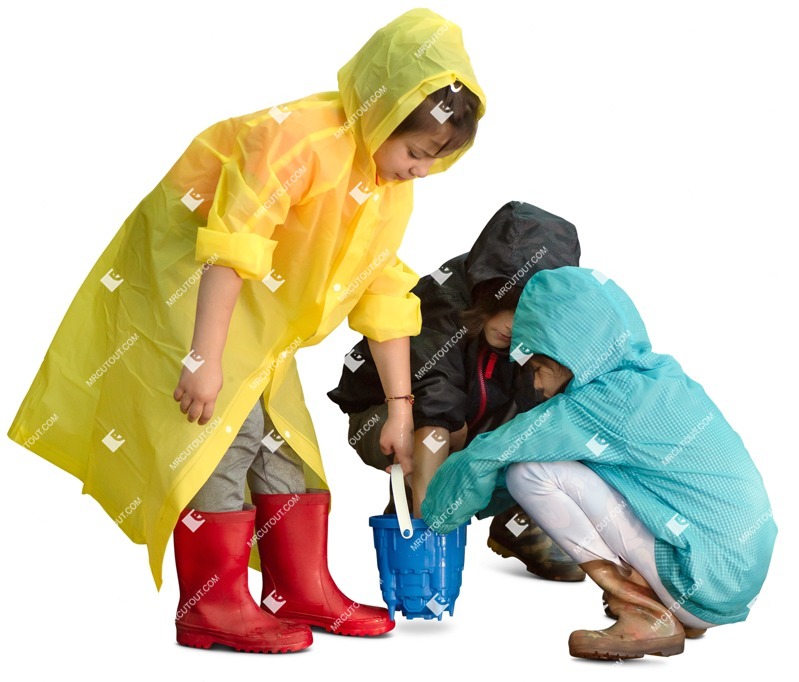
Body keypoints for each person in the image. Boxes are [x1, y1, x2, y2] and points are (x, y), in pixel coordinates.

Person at [7, 9, 485, 653]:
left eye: (436, 159)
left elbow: (382, 292)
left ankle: (298, 588)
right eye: (417, 152)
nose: (422, 169)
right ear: (381, 111)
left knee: (285, 438)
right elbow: (233, 245)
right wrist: (204, 356)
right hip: (193, 293)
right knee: (220, 436)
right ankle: (212, 606)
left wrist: (400, 408)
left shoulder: (386, 188)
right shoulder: (298, 141)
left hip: (259, 321)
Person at [420, 266, 776, 660]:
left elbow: (494, 453)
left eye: (537, 368)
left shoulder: (599, 401)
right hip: (729, 579)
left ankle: (643, 613)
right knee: (559, 465)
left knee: (530, 472)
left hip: (700, 578)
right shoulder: (656, 377)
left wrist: (431, 514)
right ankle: (673, 606)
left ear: (565, 352)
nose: (536, 385)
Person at [328, 201, 585, 581]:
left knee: (560, 420)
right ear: (487, 286)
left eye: (527, 312)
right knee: (432, 436)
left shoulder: (544, 329)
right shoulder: (441, 298)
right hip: (392, 417)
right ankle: (415, 515)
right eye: (507, 305)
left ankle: (518, 520)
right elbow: (433, 401)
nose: (515, 326)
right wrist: (427, 533)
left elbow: (544, 410)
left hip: (475, 416)